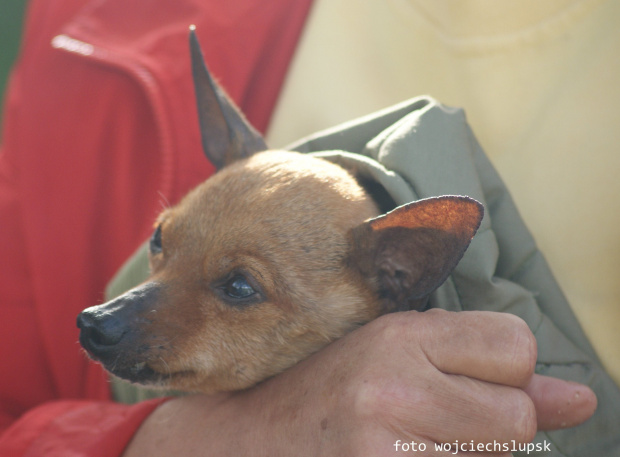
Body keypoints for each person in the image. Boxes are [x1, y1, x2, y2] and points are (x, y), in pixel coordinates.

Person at [0, 0, 617, 456]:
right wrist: (202, 441)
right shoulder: (94, 20)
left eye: (238, 287)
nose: (106, 318)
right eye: (162, 241)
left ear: (402, 271)